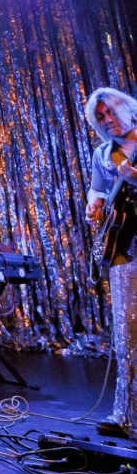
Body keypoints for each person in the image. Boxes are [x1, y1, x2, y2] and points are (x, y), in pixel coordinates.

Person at [85, 87, 137, 439]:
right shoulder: (104, 154)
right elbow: (97, 190)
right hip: (123, 248)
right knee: (128, 335)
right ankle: (125, 413)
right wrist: (94, 205)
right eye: (100, 117)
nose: (106, 120)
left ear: (127, 108)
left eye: (109, 112)